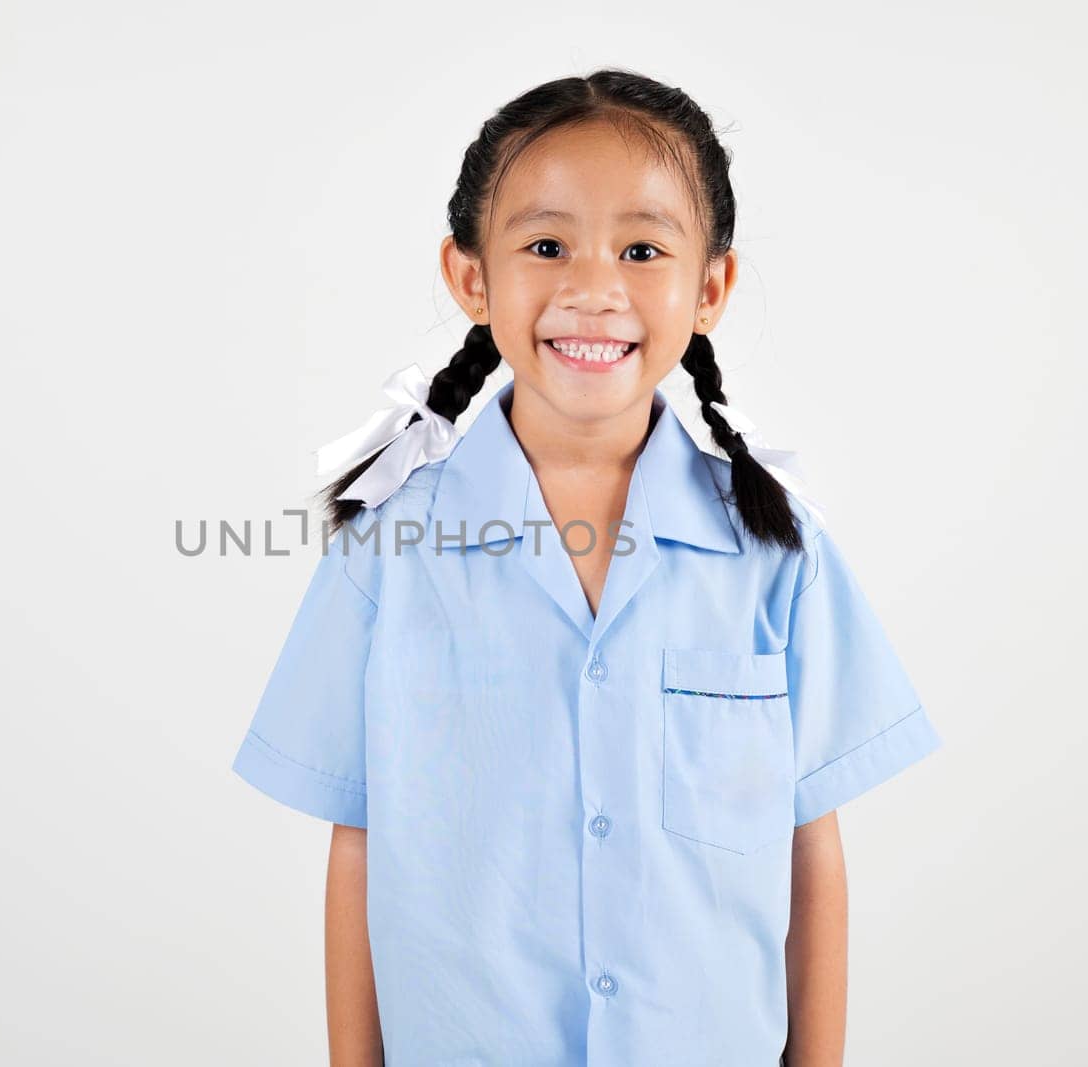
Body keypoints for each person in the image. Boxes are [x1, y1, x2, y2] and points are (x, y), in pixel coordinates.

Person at [230, 68, 941, 1067]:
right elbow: (361, 838)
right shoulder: (387, 549)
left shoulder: (777, 555)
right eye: (545, 245)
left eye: (643, 249)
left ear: (710, 289)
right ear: (472, 276)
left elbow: (806, 842)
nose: (592, 288)